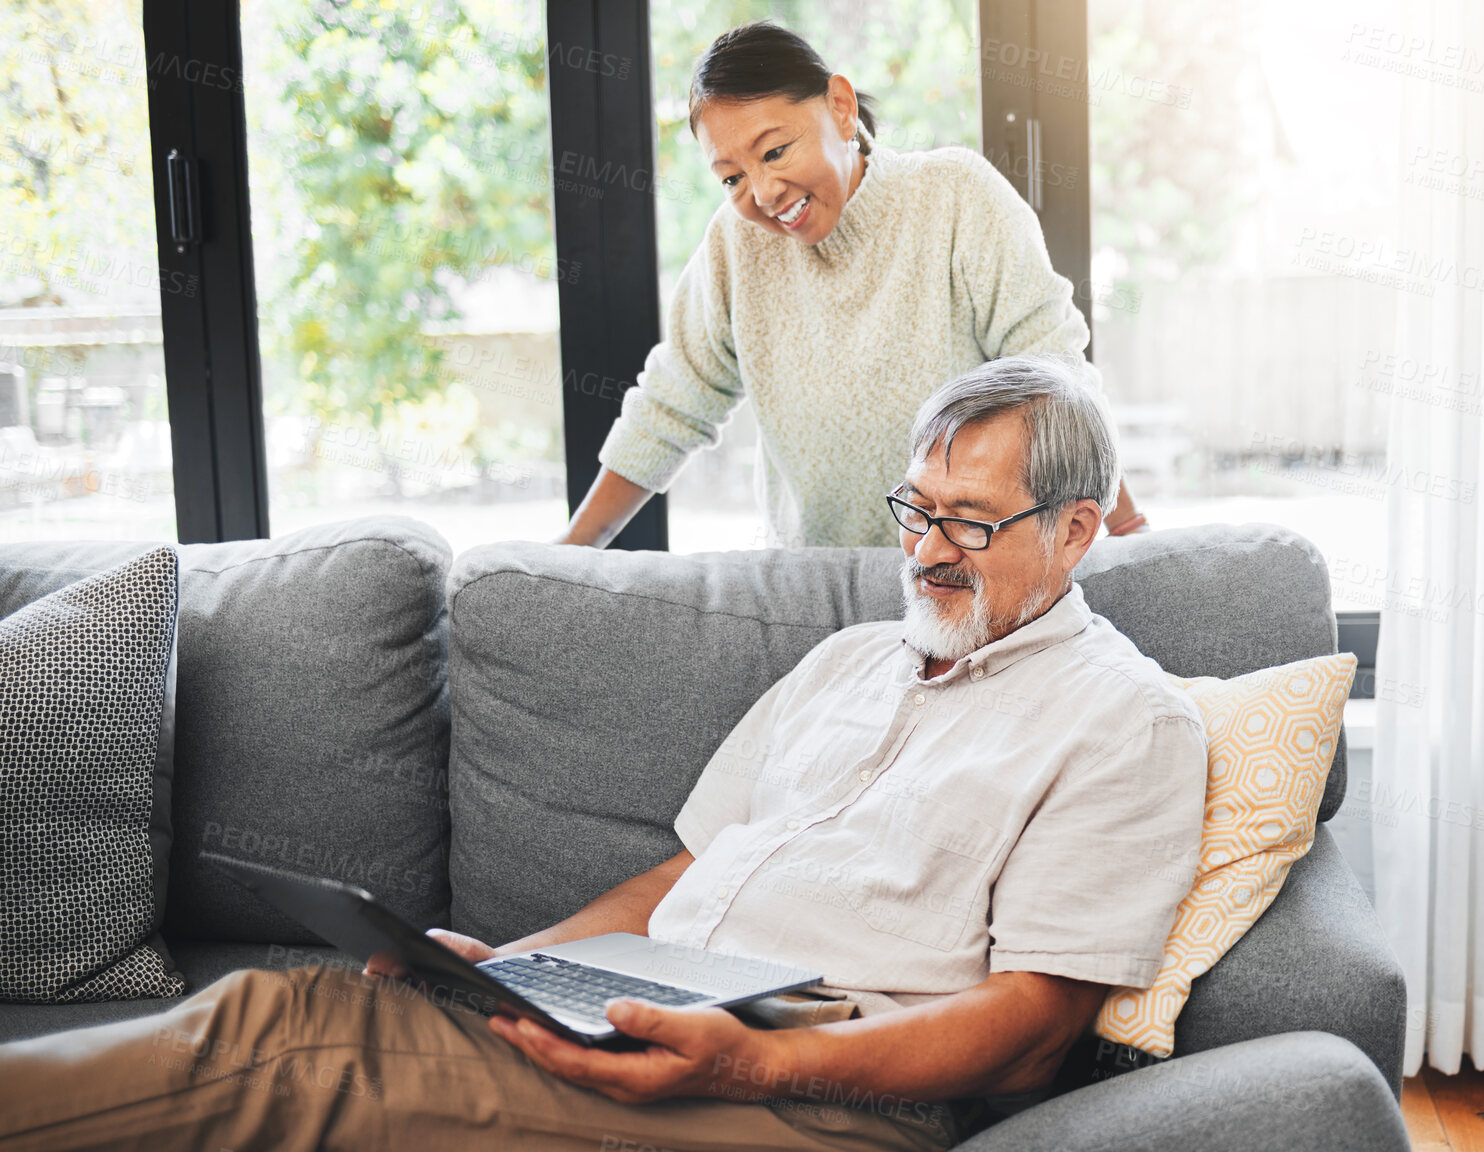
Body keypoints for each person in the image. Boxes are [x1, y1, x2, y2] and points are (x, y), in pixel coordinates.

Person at [1, 356, 1204, 1152]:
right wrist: (510, 967)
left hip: (831, 1093)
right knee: (310, 1005)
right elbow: (681, 874)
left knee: (289, 1048)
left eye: (969, 521)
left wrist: (751, 1070)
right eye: (914, 508)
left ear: (1076, 529)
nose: (927, 549)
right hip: (667, 1016)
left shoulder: (1124, 720)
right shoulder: (848, 661)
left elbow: (1037, 1025)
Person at [559, 21, 1150, 549]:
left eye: (775, 150)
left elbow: (1056, 381)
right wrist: (571, 554)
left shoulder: (954, 195)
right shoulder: (735, 244)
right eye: (732, 176)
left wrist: (1125, 529)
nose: (762, 193)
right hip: (812, 583)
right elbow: (669, 406)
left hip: (970, 564)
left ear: (840, 107)